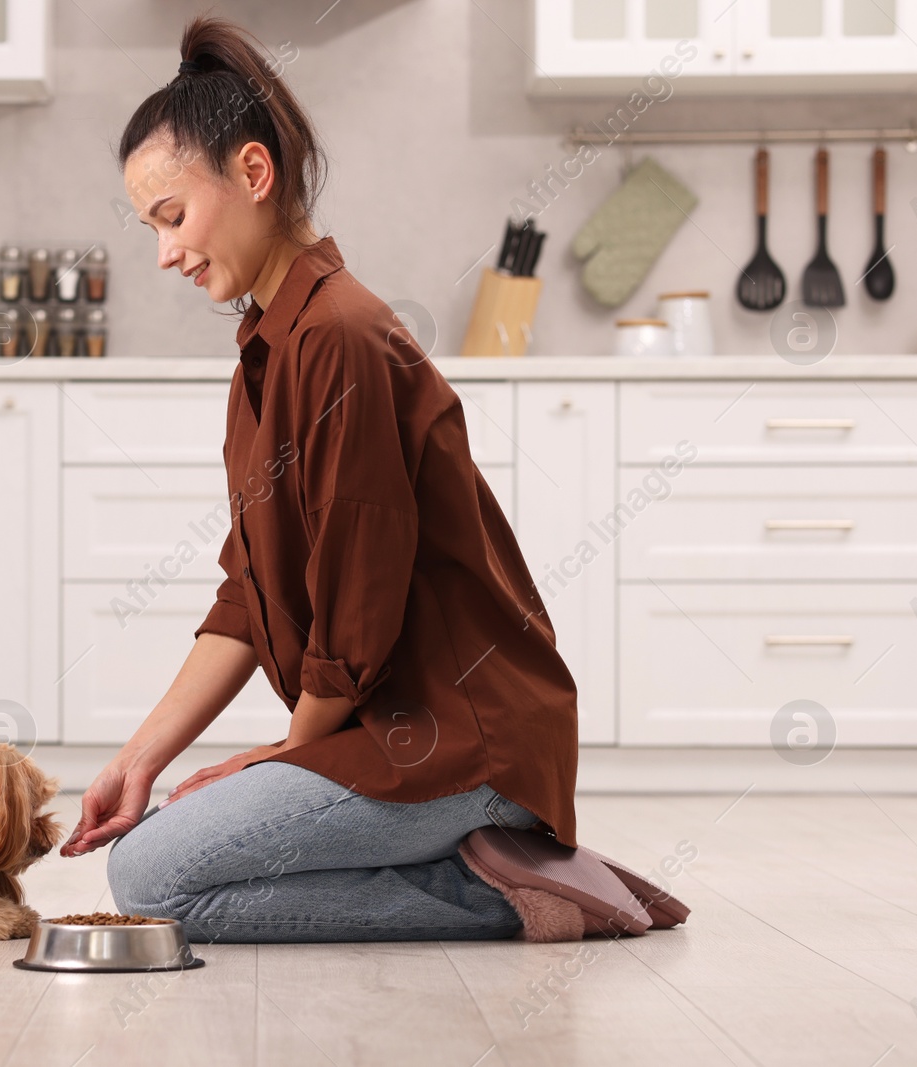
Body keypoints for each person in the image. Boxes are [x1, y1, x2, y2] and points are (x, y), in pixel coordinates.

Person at [59, 15, 685, 945]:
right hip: (389, 733)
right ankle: (496, 859)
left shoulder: (341, 337)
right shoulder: (272, 350)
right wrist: (141, 757)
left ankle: (509, 889)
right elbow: (247, 595)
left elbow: (358, 609)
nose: (165, 253)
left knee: (153, 874)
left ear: (254, 175)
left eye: (172, 217)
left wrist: (280, 756)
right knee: (155, 861)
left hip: (462, 743)